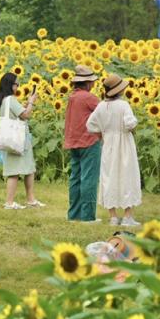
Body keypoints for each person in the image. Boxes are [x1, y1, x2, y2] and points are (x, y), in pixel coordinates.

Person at [86, 73, 142, 226]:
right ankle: (128, 216)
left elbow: (90, 124)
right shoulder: (123, 105)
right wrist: (134, 127)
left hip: (108, 143)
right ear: (119, 90)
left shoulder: (101, 106)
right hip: (124, 143)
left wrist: (102, 134)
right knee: (127, 176)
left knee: (109, 177)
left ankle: (113, 217)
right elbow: (130, 123)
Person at [0, 72, 45, 210]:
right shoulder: (11, 99)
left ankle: (31, 199)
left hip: (18, 139)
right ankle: (10, 202)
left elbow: (18, 113)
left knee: (29, 168)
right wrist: (31, 102)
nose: (18, 86)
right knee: (14, 171)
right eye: (16, 84)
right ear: (11, 85)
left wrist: (24, 105)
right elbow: (26, 115)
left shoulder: (5, 100)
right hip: (17, 140)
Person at [64, 65, 101, 222]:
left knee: (75, 178)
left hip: (73, 141)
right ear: (86, 83)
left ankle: (74, 214)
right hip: (89, 141)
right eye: (92, 82)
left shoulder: (72, 97)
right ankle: (87, 216)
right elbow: (103, 113)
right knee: (89, 178)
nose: (93, 84)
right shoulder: (89, 97)